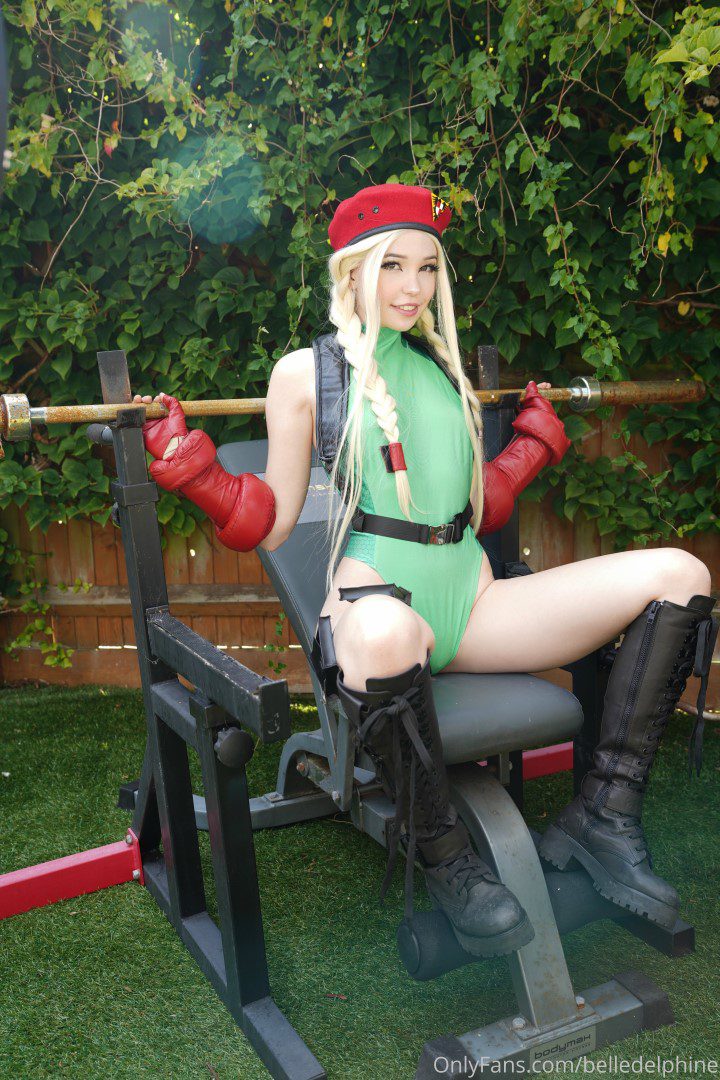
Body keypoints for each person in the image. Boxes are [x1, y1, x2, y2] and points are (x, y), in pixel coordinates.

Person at [136, 182, 717, 960]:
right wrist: (197, 471)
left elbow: (476, 507)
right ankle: (447, 860)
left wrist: (528, 450)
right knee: (382, 633)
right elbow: (266, 521)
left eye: (427, 267)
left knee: (682, 573)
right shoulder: (306, 373)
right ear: (353, 271)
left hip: (473, 606)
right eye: (392, 266)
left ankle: (603, 819)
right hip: (378, 609)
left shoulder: (442, 367)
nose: (412, 287)